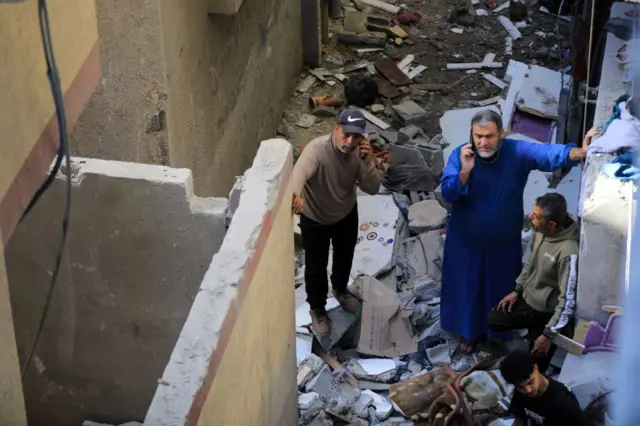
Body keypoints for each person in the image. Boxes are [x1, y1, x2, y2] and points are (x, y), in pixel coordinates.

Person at [439, 109, 594, 356]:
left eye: (489, 136)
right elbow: (448, 193)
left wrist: (578, 153)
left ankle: (494, 336)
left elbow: (545, 153)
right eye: (478, 136)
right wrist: (466, 171)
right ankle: (468, 332)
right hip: (465, 239)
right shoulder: (461, 155)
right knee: (465, 288)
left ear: (502, 134)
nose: (483, 142)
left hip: (502, 240)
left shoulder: (516, 152)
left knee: (498, 288)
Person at [291, 108, 382, 334]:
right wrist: (295, 196)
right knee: (315, 266)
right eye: (346, 134)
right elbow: (298, 176)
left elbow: (372, 188)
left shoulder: (358, 153)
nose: (350, 141)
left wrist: (368, 161)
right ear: (336, 128)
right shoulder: (317, 150)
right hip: (315, 218)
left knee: (344, 256)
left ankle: (340, 290)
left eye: (356, 136)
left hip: (345, 214)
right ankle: (317, 308)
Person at [487, 193, 579, 372]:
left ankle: (547, 337)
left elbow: (568, 301)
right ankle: (532, 336)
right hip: (529, 299)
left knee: (535, 367)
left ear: (552, 224)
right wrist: (517, 289)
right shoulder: (541, 231)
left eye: (536, 216)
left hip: (546, 312)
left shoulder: (568, 251)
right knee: (494, 319)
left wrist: (547, 335)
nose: (530, 217)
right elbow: (530, 262)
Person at [500, 350, 591, 425]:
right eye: (520, 387)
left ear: (535, 368)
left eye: (530, 382)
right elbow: (519, 416)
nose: (528, 390)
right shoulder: (520, 392)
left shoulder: (563, 403)